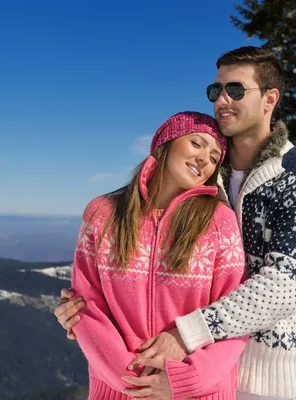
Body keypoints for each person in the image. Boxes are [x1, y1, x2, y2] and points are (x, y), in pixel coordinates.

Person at [56, 46, 296, 400]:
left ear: (270, 99)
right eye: (215, 90)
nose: (222, 100)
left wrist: (188, 336)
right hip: (196, 375)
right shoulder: (206, 177)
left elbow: (283, 288)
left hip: (267, 379)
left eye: (235, 89)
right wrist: (83, 319)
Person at [68, 111, 249, 400]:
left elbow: (236, 318)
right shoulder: (102, 213)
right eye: (196, 143)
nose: (205, 159)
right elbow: (86, 306)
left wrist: (184, 380)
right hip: (117, 390)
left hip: (197, 393)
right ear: (166, 144)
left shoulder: (219, 222)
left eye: (215, 157)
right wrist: (130, 379)